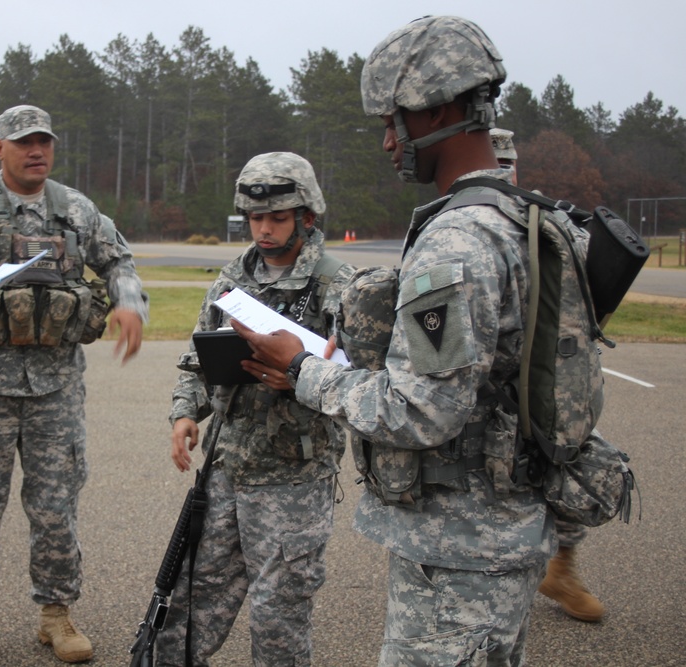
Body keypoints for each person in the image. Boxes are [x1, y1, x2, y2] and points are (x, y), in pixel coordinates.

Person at [232, 16, 584, 665]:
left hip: (458, 557)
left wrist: (304, 367)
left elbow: (421, 408)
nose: (389, 142)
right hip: (505, 532)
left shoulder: (456, 243)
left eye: (393, 121)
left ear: (441, 108)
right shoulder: (526, 220)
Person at [0, 104, 148, 665]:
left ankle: (55, 615)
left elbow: (118, 260)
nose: (36, 150)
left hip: (55, 389)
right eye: (23, 141)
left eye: (44, 141)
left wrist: (129, 304)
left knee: (56, 507)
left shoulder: (75, 209)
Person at [155, 152, 355, 667]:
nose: (263, 230)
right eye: (255, 218)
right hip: (226, 469)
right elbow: (197, 360)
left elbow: (363, 385)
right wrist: (184, 414)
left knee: (278, 618)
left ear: (307, 217)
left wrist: (304, 375)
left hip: (293, 477)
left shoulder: (340, 285)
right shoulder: (231, 279)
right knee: (191, 599)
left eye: (277, 218)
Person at [492, 127, 605, 622]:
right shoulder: (456, 230)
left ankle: (561, 565)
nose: (500, 176)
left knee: (572, 468)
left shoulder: (547, 225)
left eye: (505, 166)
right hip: (490, 383)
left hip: (549, 379)